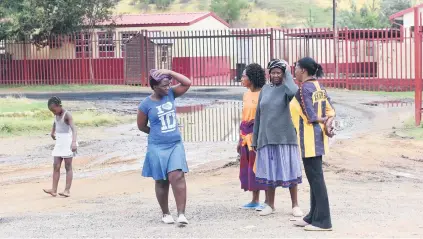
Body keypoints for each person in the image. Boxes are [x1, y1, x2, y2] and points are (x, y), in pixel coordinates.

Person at [137, 69, 192, 226]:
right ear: (154, 87)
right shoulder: (145, 105)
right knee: (161, 180)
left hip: (175, 144)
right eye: (164, 85)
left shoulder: (171, 94)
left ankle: (181, 214)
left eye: (169, 84)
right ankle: (165, 213)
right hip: (156, 146)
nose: (168, 87)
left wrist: (169, 72)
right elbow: (141, 126)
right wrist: (157, 133)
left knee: (177, 175)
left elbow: (187, 83)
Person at [252, 59, 304, 217]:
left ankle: (295, 205)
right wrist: (255, 139)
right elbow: (259, 116)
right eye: (273, 72)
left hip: (285, 137)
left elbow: (295, 92)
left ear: (283, 74)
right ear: (269, 74)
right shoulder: (265, 90)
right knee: (270, 173)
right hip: (266, 138)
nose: (275, 75)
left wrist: (288, 73)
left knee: (291, 171)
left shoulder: (287, 90)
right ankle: (270, 204)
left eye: (279, 73)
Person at [290, 57, 335, 231]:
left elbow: (309, 115)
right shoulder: (319, 87)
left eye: (296, 68)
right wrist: (328, 122)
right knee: (315, 178)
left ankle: (324, 221)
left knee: (316, 180)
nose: (294, 71)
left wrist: (321, 119)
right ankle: (313, 216)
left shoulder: (304, 89)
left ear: (303, 70)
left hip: (309, 139)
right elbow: (331, 111)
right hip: (319, 139)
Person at [237, 64, 268, 211]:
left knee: (261, 168)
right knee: (250, 169)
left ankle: (268, 201)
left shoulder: (264, 94)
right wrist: (239, 139)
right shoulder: (246, 94)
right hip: (245, 136)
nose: (241, 79)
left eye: (244, 76)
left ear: (252, 78)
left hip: (258, 136)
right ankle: (255, 200)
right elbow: (243, 117)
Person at [43, 96, 77, 198]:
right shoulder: (56, 114)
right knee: (56, 165)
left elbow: (74, 129)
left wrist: (74, 142)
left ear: (59, 106)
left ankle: (67, 190)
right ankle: (54, 190)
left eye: (54, 110)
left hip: (68, 142)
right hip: (59, 142)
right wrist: (52, 132)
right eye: (51, 111)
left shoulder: (67, 115)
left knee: (68, 166)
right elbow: (55, 122)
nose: (53, 112)